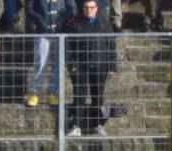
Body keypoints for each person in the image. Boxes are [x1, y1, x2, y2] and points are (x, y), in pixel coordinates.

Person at [65, 0, 117, 136]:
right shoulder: (74, 24)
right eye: (86, 7)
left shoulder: (104, 23)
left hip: (100, 66)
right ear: (82, 8)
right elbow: (67, 47)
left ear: (96, 8)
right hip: (80, 67)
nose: (89, 10)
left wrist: (112, 66)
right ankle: (75, 126)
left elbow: (111, 45)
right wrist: (71, 66)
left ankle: (97, 125)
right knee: (80, 96)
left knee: (98, 97)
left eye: (92, 7)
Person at [25, 0, 77, 107]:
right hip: (42, 32)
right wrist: (39, 20)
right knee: (40, 63)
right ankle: (35, 93)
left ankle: (54, 93)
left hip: (59, 33)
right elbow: (29, 8)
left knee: (57, 65)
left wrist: (62, 20)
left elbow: (73, 9)